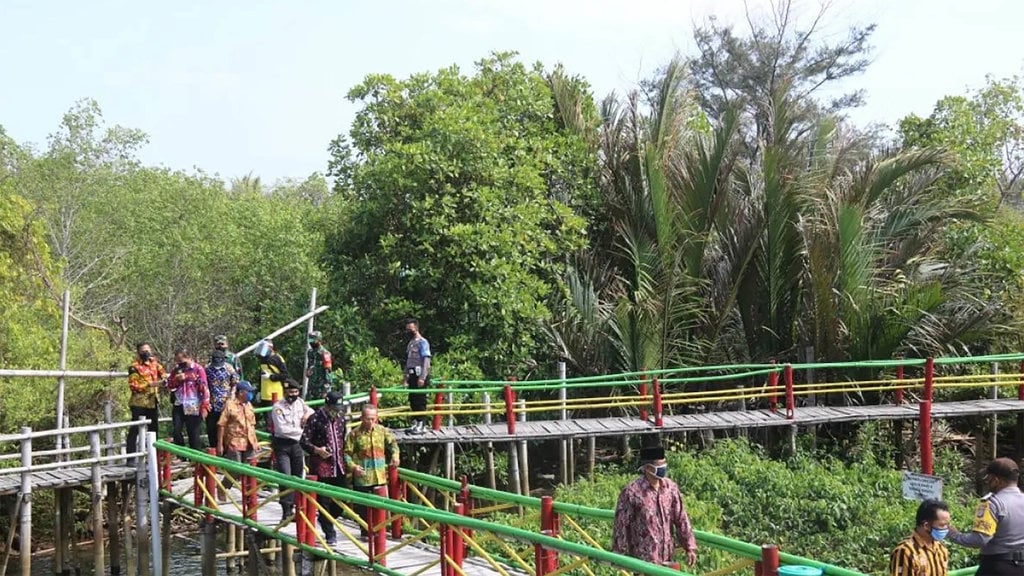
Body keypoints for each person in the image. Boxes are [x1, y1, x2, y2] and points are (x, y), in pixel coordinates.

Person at [612, 445, 697, 568]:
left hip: (667, 558)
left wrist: (689, 547)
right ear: (647, 468)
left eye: (664, 464)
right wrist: (618, 556)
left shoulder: (670, 488)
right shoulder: (632, 492)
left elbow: (681, 518)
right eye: (659, 466)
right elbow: (621, 525)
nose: (663, 468)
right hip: (643, 562)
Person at [949, 458, 1024, 575]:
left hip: (996, 567)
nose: (987, 482)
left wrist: (954, 535)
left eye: (988, 478)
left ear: (996, 480)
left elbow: (980, 539)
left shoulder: (992, 504)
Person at [345, 404, 400, 538]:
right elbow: (346, 454)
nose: (370, 422)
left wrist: (395, 456)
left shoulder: (382, 431)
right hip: (362, 477)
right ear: (362, 417)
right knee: (362, 508)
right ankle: (365, 533)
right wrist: (353, 467)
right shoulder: (354, 434)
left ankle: (379, 535)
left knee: (379, 508)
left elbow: (393, 444)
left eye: (373, 419)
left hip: (380, 476)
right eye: (368, 418)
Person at [300, 391, 348, 545]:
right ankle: (330, 534)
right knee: (324, 501)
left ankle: (325, 519)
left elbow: (343, 439)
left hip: (339, 465)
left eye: (339, 408)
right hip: (321, 467)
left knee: (342, 500)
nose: (337, 411)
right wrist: (317, 450)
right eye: (334, 408)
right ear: (327, 406)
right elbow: (304, 442)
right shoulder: (315, 419)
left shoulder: (341, 419)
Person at [271, 379, 313, 517]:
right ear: (285, 392)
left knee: (297, 476)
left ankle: (297, 508)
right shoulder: (278, 407)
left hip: (297, 445)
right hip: (283, 444)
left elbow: (311, 411)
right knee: (285, 475)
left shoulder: (300, 402)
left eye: (295, 392)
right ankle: (286, 509)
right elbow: (282, 429)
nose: (293, 395)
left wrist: (306, 415)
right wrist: (302, 432)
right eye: (290, 392)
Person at [217, 380, 258, 499]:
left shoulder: (249, 405)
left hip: (249, 441)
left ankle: (249, 496)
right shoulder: (230, 405)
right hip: (234, 441)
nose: (251, 394)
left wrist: (255, 441)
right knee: (235, 469)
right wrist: (220, 443)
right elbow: (221, 424)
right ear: (241, 393)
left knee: (250, 470)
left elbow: (252, 424)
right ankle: (223, 487)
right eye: (248, 392)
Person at [890, 499, 951, 576]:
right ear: (926, 525)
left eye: (947, 524)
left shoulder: (941, 549)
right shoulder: (905, 551)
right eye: (942, 525)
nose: (946, 529)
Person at [127, 342, 166, 457]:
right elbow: (133, 386)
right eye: (143, 351)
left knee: (153, 429)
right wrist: (151, 384)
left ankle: (155, 456)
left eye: (148, 350)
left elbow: (163, 373)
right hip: (139, 403)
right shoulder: (134, 367)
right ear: (138, 352)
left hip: (152, 402)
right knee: (135, 429)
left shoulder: (154, 364)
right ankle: (131, 457)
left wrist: (164, 379)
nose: (146, 352)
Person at [166, 349, 210, 450]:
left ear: (189, 358)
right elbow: (169, 384)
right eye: (178, 361)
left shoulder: (198, 369)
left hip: (193, 404)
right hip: (179, 403)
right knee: (176, 430)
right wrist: (176, 379)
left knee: (193, 433)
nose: (180, 364)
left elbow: (205, 388)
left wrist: (204, 405)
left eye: (182, 361)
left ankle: (195, 459)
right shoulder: (176, 370)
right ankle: (181, 455)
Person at [205, 348, 240, 449]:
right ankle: (213, 451)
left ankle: (226, 451)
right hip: (212, 403)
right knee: (211, 429)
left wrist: (232, 397)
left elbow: (235, 383)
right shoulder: (207, 369)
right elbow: (204, 385)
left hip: (226, 403)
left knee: (226, 429)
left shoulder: (229, 368)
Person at [403, 318, 431, 434]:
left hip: (420, 375)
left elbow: (426, 360)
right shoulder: (411, 343)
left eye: (411, 329)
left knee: (420, 400)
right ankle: (415, 422)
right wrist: (405, 378)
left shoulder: (422, 342)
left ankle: (422, 424)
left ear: (416, 328)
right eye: (407, 329)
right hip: (412, 375)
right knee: (413, 399)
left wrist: (423, 377)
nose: (409, 331)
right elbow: (408, 361)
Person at [257, 338, 291, 408]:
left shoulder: (277, 358)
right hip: (264, 394)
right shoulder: (263, 359)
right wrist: (259, 391)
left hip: (275, 394)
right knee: (266, 417)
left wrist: (271, 377)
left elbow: (285, 375)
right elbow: (261, 376)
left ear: (270, 347)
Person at [305, 331, 337, 401]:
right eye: (310, 340)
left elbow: (328, 373)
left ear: (319, 340)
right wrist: (308, 371)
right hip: (312, 387)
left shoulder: (325, 353)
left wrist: (326, 390)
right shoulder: (310, 352)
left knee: (321, 408)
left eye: (313, 340)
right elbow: (309, 366)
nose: (311, 342)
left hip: (321, 388)